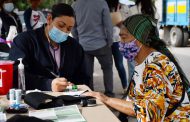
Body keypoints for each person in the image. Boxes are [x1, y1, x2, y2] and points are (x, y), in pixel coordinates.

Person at [84, 14, 190, 121]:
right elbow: (134, 102)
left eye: (124, 37)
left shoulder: (155, 67)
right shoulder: (143, 62)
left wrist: (106, 99)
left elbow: (149, 113)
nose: (121, 43)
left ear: (140, 38)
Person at [9, 3, 90, 92]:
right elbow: (16, 74)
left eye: (69, 29)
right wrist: (48, 84)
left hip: (69, 99)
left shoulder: (74, 46)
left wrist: (74, 87)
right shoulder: (24, 41)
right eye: (61, 25)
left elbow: (84, 78)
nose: (64, 31)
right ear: (49, 19)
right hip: (34, 100)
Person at [72, 0, 114, 97]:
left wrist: (78, 41)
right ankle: (109, 94)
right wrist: (110, 41)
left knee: (88, 72)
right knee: (107, 69)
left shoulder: (75, 5)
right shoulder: (101, 2)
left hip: (84, 45)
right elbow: (108, 24)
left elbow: (74, 27)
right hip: (101, 44)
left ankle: (90, 95)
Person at [105, 0, 128, 92]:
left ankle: (125, 87)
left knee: (119, 64)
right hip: (106, 40)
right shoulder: (103, 5)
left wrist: (120, 23)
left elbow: (126, 24)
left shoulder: (123, 7)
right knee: (108, 66)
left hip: (117, 40)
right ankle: (109, 90)